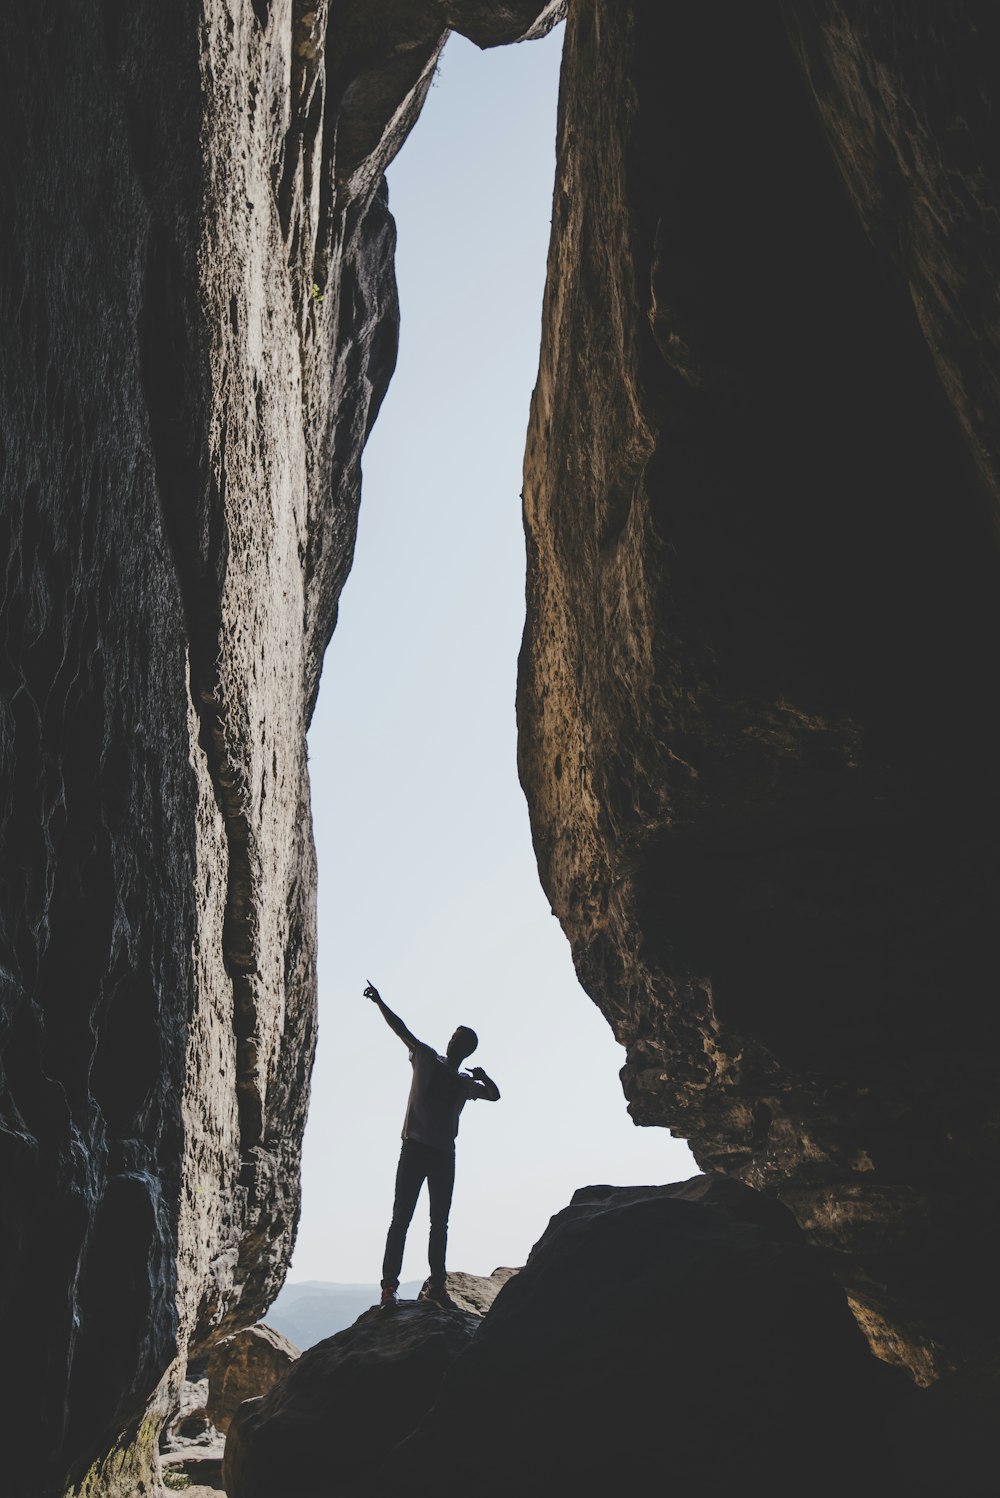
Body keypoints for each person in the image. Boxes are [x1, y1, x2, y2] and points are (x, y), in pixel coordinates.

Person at [365, 981, 500, 1309]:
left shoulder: (465, 1083)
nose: (455, 1042)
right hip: (416, 1149)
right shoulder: (425, 1057)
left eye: (461, 1041)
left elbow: (495, 1095)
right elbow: (401, 1029)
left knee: (437, 1222)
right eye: (455, 1037)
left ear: (467, 1051)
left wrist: (483, 1077)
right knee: (403, 1219)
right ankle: (389, 1289)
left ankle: (436, 1287)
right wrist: (380, 1001)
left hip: (441, 1155)